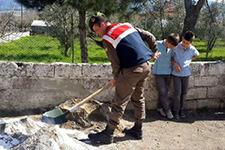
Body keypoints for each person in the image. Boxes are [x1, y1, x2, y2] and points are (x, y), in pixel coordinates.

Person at [88, 15, 160, 144]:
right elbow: (150, 36)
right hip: (145, 67)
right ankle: (138, 129)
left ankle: (108, 133)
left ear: (103, 24)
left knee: (119, 101)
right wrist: (154, 52)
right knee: (138, 98)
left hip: (131, 70)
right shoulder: (126, 25)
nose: (98, 34)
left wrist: (116, 78)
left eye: (97, 30)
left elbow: (114, 62)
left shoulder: (107, 38)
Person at [171, 31, 199, 120]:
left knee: (184, 93)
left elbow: (197, 55)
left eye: (187, 43)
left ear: (191, 43)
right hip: (176, 74)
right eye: (183, 42)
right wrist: (175, 64)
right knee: (177, 93)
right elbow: (171, 57)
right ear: (182, 39)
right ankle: (175, 111)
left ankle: (182, 110)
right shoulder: (176, 47)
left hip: (186, 74)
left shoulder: (192, 49)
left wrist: (189, 60)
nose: (184, 44)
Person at [153, 34, 179, 119]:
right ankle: (168, 111)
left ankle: (159, 108)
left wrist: (175, 63)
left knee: (164, 93)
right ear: (167, 41)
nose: (171, 48)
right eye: (171, 45)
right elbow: (149, 53)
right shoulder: (157, 44)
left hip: (168, 73)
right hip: (158, 73)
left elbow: (172, 58)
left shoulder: (172, 48)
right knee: (163, 92)